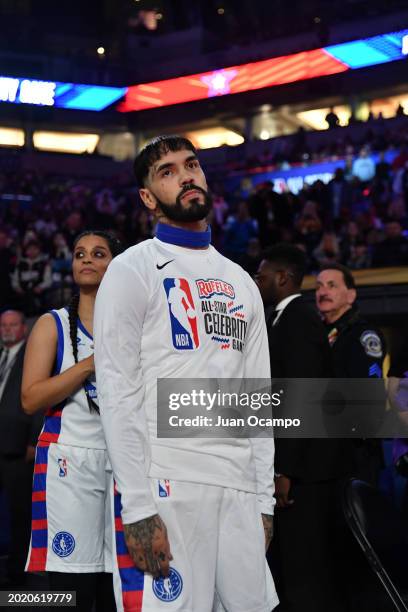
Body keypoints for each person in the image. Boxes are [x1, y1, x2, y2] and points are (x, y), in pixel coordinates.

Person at [94, 135, 278, 612]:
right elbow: (117, 390)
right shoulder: (132, 269)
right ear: (148, 198)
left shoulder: (241, 281)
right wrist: (137, 505)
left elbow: (257, 396)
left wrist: (263, 500)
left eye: (191, 165)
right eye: (168, 171)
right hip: (169, 481)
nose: (187, 175)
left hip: (238, 486)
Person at [21, 230, 123, 612]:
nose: (86, 259)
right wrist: (88, 365)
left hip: (122, 464)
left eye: (98, 253)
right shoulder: (53, 324)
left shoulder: (133, 325)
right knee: (74, 589)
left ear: (116, 264)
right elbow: (30, 398)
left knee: (117, 585)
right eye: (80, 254)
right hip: (69, 464)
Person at [256, 244, 350, 611]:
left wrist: (286, 469)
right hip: (302, 467)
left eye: (261, 276)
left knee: (306, 568)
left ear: (283, 278)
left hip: (307, 472)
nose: (256, 281)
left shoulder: (298, 317)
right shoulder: (285, 317)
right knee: (295, 566)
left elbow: (302, 396)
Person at [315, 263, 386, 483]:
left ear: (351, 295)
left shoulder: (363, 334)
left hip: (355, 451)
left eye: (332, 285)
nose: (323, 292)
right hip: (322, 450)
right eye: (319, 287)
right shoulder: (316, 334)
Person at [0, 310, 43, 587]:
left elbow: (39, 398)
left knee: (19, 514)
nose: (7, 330)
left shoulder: (32, 355)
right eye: (3, 325)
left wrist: (33, 441)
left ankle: (18, 574)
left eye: (13, 324)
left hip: (18, 448)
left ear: (23, 328)